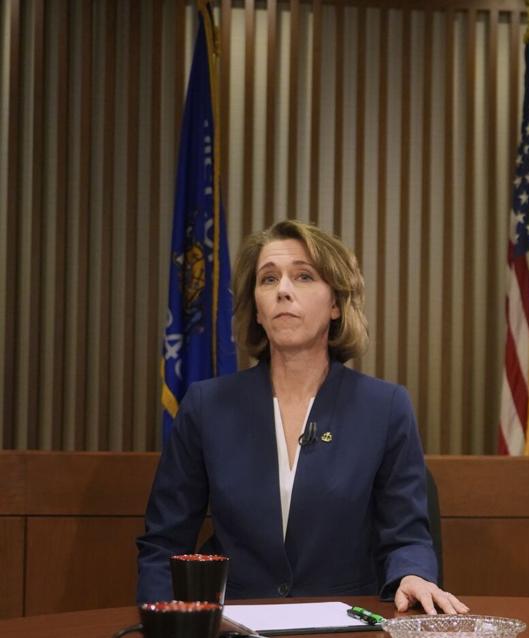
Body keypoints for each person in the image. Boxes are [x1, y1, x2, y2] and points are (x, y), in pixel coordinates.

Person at [137, 219, 468, 615]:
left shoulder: (384, 407)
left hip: (348, 636)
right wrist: (159, 629)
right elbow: (164, 543)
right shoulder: (207, 407)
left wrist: (413, 575)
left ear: (335, 304)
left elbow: (407, 537)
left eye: (304, 276)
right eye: (268, 279)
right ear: (257, 310)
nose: (283, 291)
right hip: (234, 633)